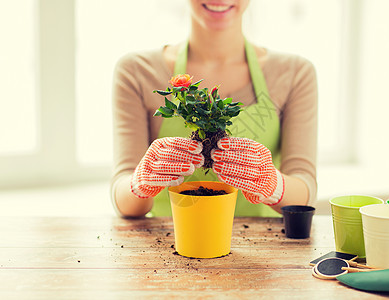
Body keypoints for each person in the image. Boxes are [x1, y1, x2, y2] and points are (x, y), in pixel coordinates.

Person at [111, 0, 318, 218]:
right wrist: (139, 182)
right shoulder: (136, 71)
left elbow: (305, 192)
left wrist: (273, 184)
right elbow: (124, 201)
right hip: (168, 242)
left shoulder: (295, 73)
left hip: (264, 245)